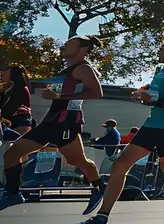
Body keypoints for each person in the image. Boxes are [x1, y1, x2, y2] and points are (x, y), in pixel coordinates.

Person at [63, 37, 164, 224]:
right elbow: (155, 96)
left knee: (139, 166)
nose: (160, 50)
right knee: (153, 166)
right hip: (154, 122)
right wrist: (143, 96)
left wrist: (151, 100)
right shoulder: (160, 70)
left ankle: (102, 218)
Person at [1, 36, 106, 213]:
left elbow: (96, 93)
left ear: (83, 48)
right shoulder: (68, 70)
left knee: (77, 160)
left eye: (70, 43)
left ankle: (99, 188)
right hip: (51, 121)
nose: (65, 45)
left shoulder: (83, 68)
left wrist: (59, 96)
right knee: (12, 155)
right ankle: (13, 193)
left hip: (66, 123)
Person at [1, 63, 33, 141]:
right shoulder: (10, 88)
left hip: (18, 124)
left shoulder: (19, 88)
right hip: (14, 123)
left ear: (13, 72)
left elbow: (11, 108)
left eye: (5, 69)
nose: (1, 72)